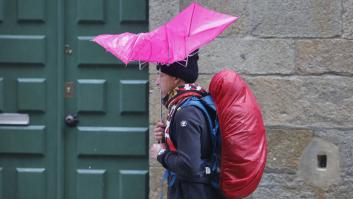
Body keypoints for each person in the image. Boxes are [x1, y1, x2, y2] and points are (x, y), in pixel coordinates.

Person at [150, 51, 224, 199]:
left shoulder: (187, 112)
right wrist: (168, 135)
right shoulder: (195, 101)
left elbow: (189, 165)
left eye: (161, 75)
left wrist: (161, 154)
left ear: (176, 77)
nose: (157, 81)